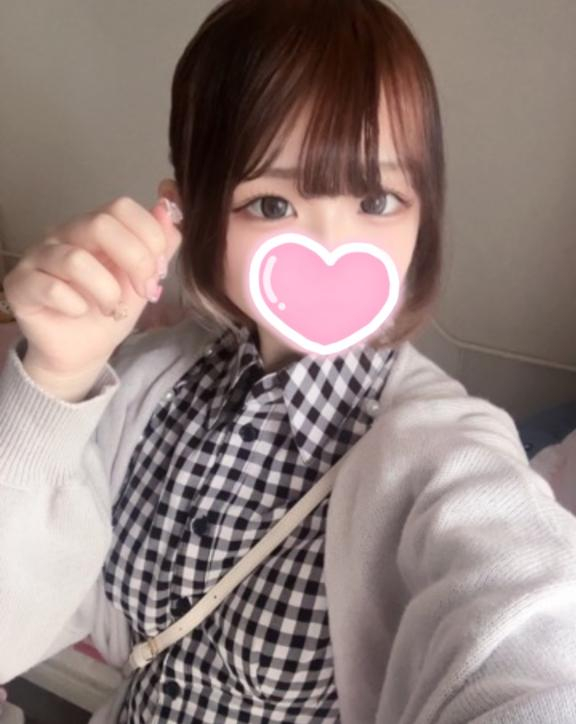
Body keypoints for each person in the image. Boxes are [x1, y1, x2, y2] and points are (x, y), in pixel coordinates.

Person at [1, 0, 576, 722]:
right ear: (185, 212)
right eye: (272, 205)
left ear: (424, 211)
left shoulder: (442, 450)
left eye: (378, 199)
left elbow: (528, 633)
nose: (334, 246)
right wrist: (55, 381)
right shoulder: (147, 384)